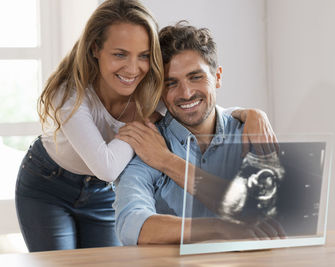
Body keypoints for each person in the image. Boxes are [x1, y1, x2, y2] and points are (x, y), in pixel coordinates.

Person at [15, 0, 276, 252]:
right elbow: (107, 168)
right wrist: (144, 129)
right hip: (49, 183)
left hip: (103, 190)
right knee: (60, 262)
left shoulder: (151, 89)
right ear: (95, 49)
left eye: (143, 56)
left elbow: (194, 107)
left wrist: (249, 113)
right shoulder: (70, 96)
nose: (132, 68)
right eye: (120, 54)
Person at [114, 22, 284, 246]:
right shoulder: (148, 144)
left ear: (218, 77)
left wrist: (167, 161)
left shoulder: (251, 133)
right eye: (171, 83)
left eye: (196, 77)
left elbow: (268, 213)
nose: (186, 93)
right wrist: (219, 227)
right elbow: (131, 225)